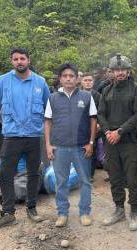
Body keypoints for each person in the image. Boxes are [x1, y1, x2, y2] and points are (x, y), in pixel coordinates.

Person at [0, 47, 50, 230]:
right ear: (11, 61)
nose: (19, 62)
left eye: (22, 58)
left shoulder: (40, 82)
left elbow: (48, 110)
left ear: (28, 60)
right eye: (15, 59)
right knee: (5, 173)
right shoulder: (3, 81)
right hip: (12, 136)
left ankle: (32, 208)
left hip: (33, 135)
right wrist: (7, 125)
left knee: (33, 173)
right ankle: (8, 213)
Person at [44, 63, 97, 228]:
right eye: (65, 76)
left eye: (71, 76)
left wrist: (91, 143)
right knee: (61, 182)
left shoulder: (86, 97)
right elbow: (48, 122)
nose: (68, 78)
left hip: (81, 147)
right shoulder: (53, 98)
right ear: (60, 79)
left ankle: (84, 212)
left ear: (77, 78)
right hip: (59, 147)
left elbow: (93, 120)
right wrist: (48, 145)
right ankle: (62, 213)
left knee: (85, 181)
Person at [98, 54, 137, 231]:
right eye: (116, 70)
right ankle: (119, 209)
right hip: (110, 140)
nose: (120, 73)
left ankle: (135, 210)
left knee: (132, 177)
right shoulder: (106, 91)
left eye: (123, 69)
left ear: (128, 71)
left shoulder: (135, 89)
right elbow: (101, 114)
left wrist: (120, 131)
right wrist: (108, 131)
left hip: (129, 141)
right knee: (115, 177)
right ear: (111, 72)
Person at [81, 72, 104, 180]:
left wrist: (99, 123)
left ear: (93, 82)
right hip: (80, 129)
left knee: (92, 151)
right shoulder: (77, 95)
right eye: (85, 80)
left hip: (94, 128)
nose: (88, 82)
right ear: (81, 82)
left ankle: (90, 175)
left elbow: (101, 112)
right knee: (80, 151)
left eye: (90, 80)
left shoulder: (98, 96)